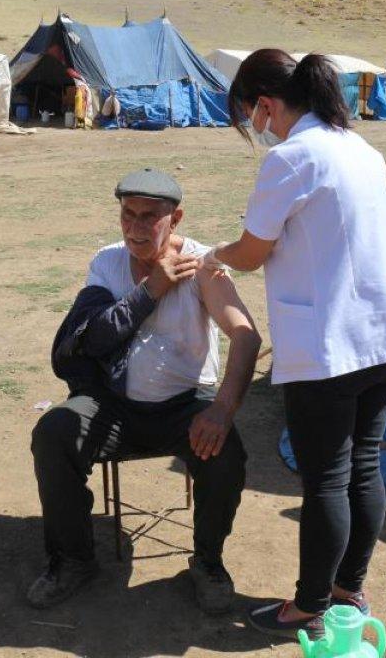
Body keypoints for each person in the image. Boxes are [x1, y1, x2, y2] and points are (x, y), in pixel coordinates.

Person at [204, 50, 386, 640]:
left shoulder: (292, 158)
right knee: (364, 465)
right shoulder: (360, 148)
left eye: (251, 116)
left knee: (326, 477)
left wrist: (213, 256)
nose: (256, 128)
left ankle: (308, 606)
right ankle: (348, 588)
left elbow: (252, 252)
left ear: (266, 105)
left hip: (332, 348)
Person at [29, 168, 262, 613]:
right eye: (127, 215)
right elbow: (93, 338)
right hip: (113, 406)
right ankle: (73, 560)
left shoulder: (202, 264)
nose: (135, 228)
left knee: (226, 450)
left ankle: (208, 563)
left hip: (183, 409)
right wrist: (153, 287)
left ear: (175, 219)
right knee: (53, 433)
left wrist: (222, 410)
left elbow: (246, 336)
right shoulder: (108, 262)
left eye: (149, 217)